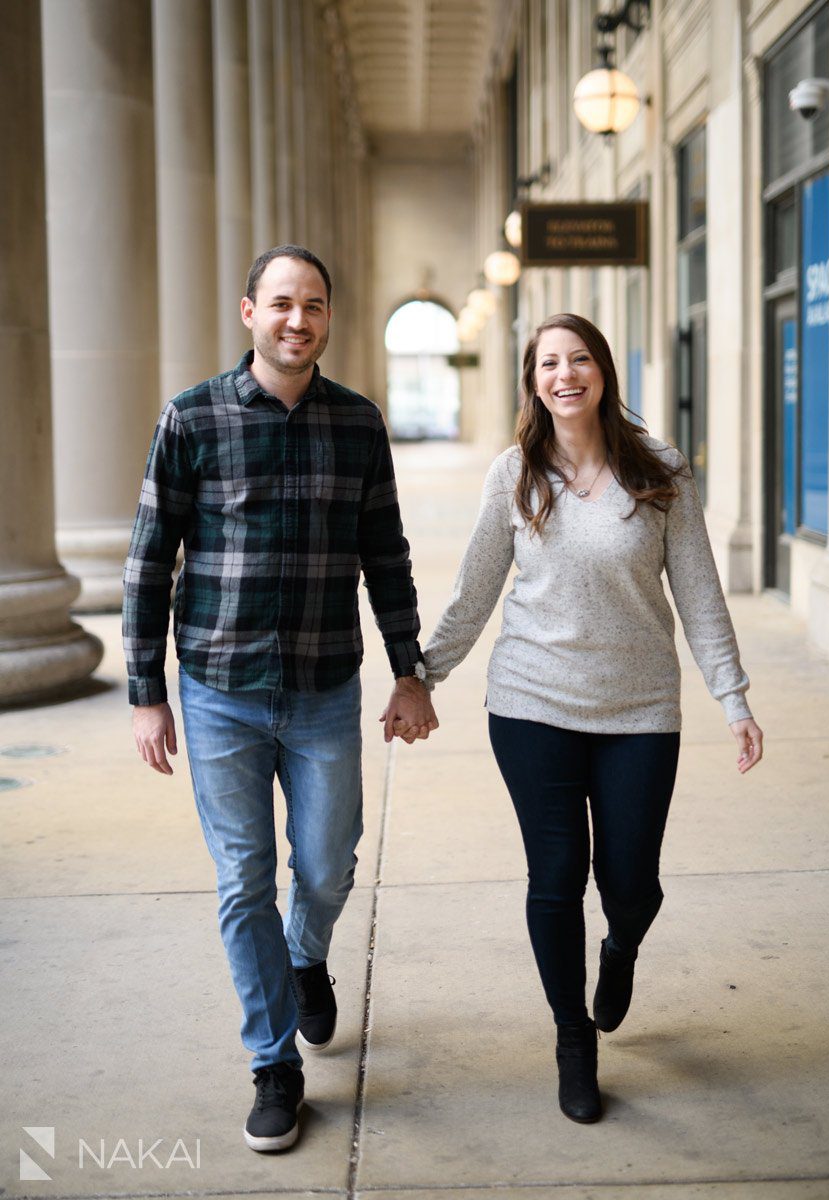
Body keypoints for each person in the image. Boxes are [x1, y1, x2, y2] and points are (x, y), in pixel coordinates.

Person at [122, 244, 437, 1154]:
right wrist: (147, 695)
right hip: (218, 690)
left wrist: (408, 669)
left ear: (329, 318)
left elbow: (387, 552)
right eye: (282, 304)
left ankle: (306, 955)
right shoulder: (192, 418)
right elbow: (148, 563)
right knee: (241, 880)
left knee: (330, 862)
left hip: (325, 686)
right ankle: (273, 1062)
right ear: (250, 312)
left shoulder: (357, 422)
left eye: (315, 306)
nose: (299, 320)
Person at [416, 313, 763, 1124]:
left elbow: (700, 593)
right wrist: (422, 677)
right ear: (532, 380)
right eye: (548, 362)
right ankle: (574, 1040)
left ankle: (620, 947)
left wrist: (732, 696)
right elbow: (474, 591)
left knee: (631, 885)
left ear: (602, 371)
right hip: (532, 703)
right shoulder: (514, 473)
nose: (564, 374)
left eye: (578, 360)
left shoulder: (659, 468)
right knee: (556, 877)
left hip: (640, 708)